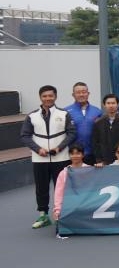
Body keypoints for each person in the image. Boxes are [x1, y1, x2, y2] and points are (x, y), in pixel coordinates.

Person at [21, 85, 76, 229]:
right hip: (39, 158)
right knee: (41, 187)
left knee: (62, 187)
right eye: (44, 96)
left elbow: (72, 133)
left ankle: (63, 213)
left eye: (50, 96)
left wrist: (59, 147)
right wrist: (38, 149)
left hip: (61, 157)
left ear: (55, 97)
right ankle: (43, 215)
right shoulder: (32, 116)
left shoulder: (64, 114)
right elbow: (25, 136)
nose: (48, 98)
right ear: (40, 97)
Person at [52, 143, 92, 223]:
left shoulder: (91, 170)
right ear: (69, 156)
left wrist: (99, 167)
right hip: (71, 204)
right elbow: (58, 194)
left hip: (87, 204)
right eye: (72, 154)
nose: (75, 156)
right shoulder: (63, 173)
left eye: (78, 153)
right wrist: (57, 210)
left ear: (83, 155)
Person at [64, 82, 101, 165]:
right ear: (73, 95)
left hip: (92, 154)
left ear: (88, 93)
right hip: (73, 155)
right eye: (78, 92)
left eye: (84, 92)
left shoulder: (97, 111)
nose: (81, 95)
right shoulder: (65, 112)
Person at [92, 93, 119, 167]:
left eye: (113, 103)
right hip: (104, 161)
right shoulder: (98, 122)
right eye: (108, 103)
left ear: (118, 105)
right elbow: (95, 143)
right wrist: (99, 160)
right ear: (104, 105)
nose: (111, 106)